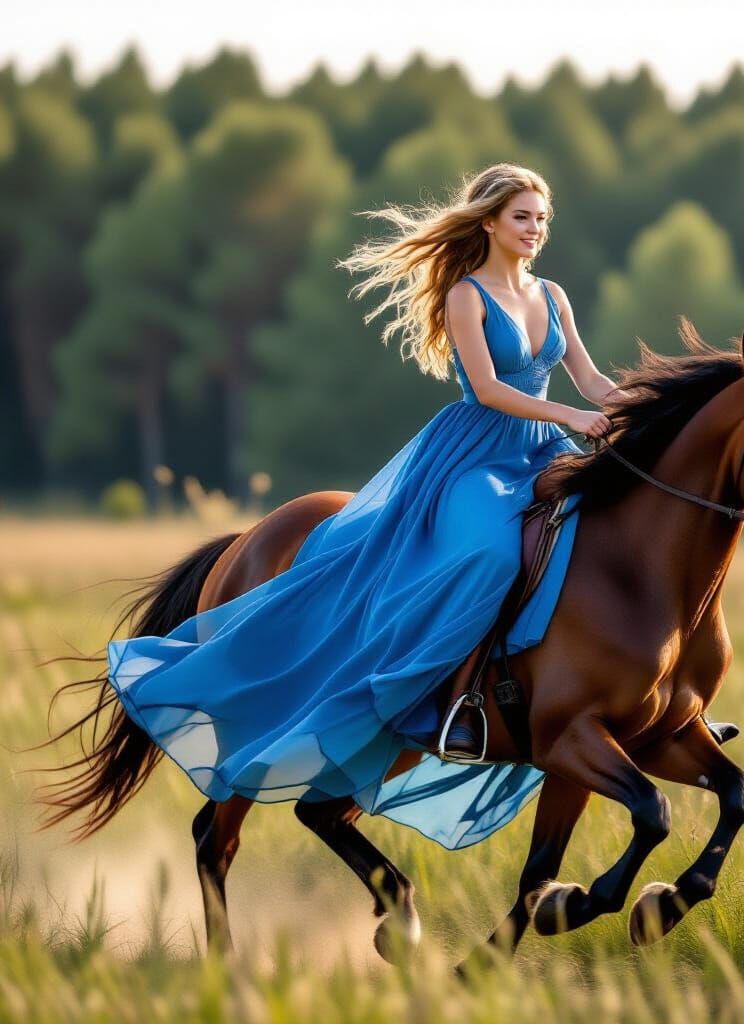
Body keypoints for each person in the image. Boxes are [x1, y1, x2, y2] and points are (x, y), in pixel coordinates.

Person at [104, 163, 620, 849]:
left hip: (543, 450)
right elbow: (491, 389)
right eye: (523, 217)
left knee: (596, 539)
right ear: (490, 221)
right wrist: (573, 415)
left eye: (542, 219)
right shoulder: (467, 297)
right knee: (490, 551)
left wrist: (638, 408)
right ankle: (454, 702)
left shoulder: (553, 295)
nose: (535, 230)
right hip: (474, 455)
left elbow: (588, 376)